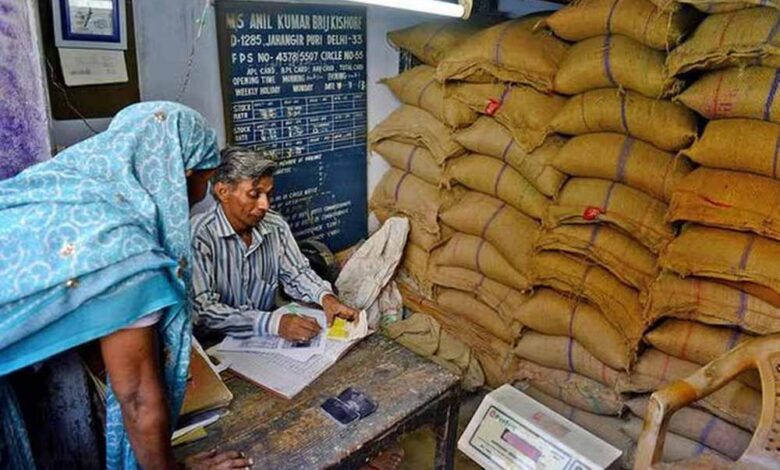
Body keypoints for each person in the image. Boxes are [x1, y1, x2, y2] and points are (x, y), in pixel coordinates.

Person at [0, 102, 250, 470]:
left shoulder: (58, 187)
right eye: (207, 179)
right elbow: (137, 399)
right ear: (182, 173)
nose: (205, 194)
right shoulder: (123, 249)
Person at [190, 146, 358, 343]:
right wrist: (274, 324)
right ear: (223, 192)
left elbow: (297, 274)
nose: (265, 205)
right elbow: (204, 310)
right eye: (254, 194)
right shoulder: (198, 235)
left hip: (263, 341)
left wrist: (326, 298)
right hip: (213, 345)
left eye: (268, 194)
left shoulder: (275, 225)